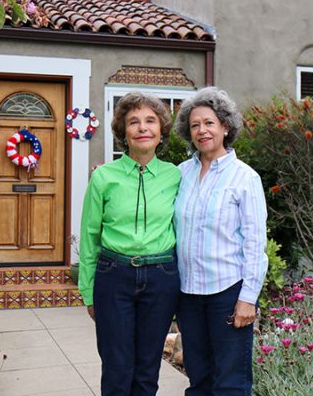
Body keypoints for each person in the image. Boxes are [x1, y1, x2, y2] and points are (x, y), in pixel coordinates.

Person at [78, 92, 181, 396]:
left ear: (161, 130)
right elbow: (90, 237)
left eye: (150, 120)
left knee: (148, 366)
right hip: (115, 276)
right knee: (117, 366)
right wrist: (88, 291)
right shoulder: (103, 177)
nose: (142, 127)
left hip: (161, 277)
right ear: (123, 131)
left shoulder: (175, 176)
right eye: (133, 122)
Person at [173, 87, 268, 396]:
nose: (202, 130)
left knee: (231, 382)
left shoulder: (245, 178)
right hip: (188, 294)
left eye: (209, 123)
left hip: (227, 293)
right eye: (195, 124)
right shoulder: (180, 174)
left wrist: (247, 299)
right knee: (199, 379)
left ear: (225, 126)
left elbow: (255, 245)